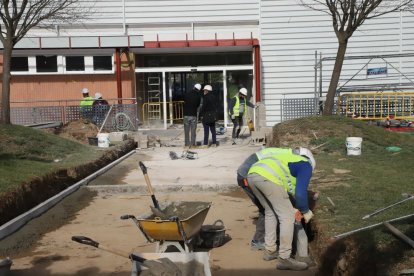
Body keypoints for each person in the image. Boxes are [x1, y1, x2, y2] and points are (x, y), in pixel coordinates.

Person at [246, 147, 316, 271]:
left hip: (253, 174)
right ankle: (284, 258)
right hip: (267, 177)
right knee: (287, 216)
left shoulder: (289, 159)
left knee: (270, 212)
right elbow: (300, 194)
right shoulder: (306, 165)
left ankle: (270, 250)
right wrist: (305, 210)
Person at [237, 147, 294, 251]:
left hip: (248, 174)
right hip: (247, 176)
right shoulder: (287, 158)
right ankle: (259, 241)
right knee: (266, 208)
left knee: (269, 208)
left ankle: (268, 238)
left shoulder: (284, 153)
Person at [183, 83, 202, 148]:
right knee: (193, 130)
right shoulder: (198, 96)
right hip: (193, 115)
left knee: (186, 131)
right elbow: (197, 105)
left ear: (194, 87)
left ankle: (186, 144)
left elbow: (184, 101)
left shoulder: (187, 94)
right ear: (199, 90)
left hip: (186, 115)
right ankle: (193, 144)